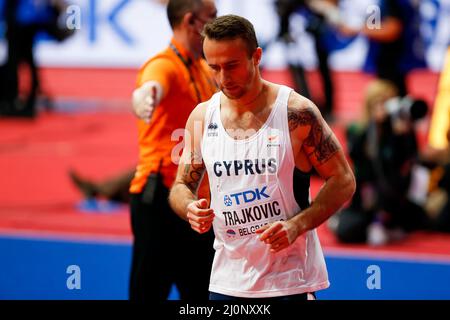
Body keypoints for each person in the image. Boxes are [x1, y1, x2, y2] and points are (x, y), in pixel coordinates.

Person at [169, 14, 355, 300]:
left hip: (289, 279)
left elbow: (343, 180)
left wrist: (297, 225)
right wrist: (190, 208)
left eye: (232, 66)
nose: (223, 78)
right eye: (214, 68)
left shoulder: (296, 112)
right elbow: (181, 186)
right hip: (226, 280)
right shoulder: (203, 117)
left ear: (256, 56)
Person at [128, 0, 217, 301]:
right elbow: (152, 86)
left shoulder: (203, 68)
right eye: (212, 18)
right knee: (149, 292)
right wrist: (145, 96)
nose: (216, 25)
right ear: (191, 22)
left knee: (203, 294)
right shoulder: (164, 64)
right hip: (160, 203)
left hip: (197, 202)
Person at [332, 79, 429, 245]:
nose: (385, 109)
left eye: (388, 102)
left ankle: (385, 222)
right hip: (368, 197)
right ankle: (346, 218)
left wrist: (401, 136)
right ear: (370, 106)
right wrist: (375, 128)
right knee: (347, 231)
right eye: (380, 103)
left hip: (397, 195)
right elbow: (363, 168)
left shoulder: (400, 130)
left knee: (423, 221)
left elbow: (411, 160)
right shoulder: (358, 131)